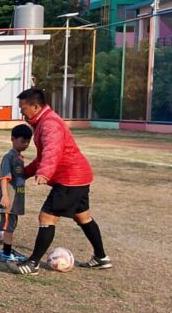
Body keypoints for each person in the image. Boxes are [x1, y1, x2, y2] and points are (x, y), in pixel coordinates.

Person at [7, 88, 111, 274]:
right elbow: (42, 157)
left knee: (47, 217)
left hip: (69, 178)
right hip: (78, 177)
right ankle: (101, 257)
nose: (21, 112)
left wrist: (45, 172)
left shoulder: (49, 124)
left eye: (23, 108)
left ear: (35, 106)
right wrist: (25, 173)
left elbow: (52, 151)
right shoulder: (43, 122)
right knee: (82, 217)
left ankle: (33, 263)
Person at [0, 124, 33, 263]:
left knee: (12, 225)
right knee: (8, 226)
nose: (26, 144)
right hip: (8, 198)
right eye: (23, 141)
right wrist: (5, 196)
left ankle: (8, 250)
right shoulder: (9, 157)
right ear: (13, 139)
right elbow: (4, 177)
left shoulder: (19, 158)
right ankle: (6, 253)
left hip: (16, 199)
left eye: (28, 142)